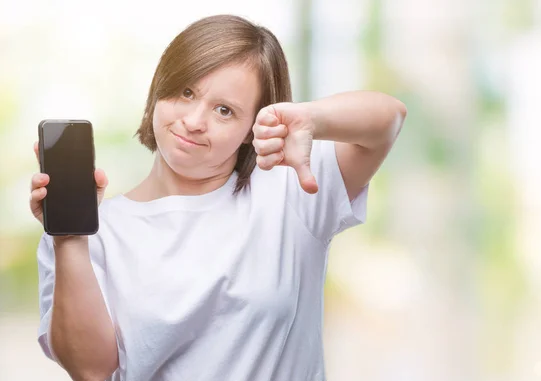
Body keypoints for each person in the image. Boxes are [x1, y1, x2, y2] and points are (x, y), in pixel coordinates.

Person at [30, 14, 406, 381]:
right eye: (186, 92)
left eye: (224, 111)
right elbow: (91, 370)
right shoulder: (86, 232)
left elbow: (389, 118)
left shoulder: (288, 187)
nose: (194, 120)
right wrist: (70, 240)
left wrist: (309, 118)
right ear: (160, 88)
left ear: (250, 128)